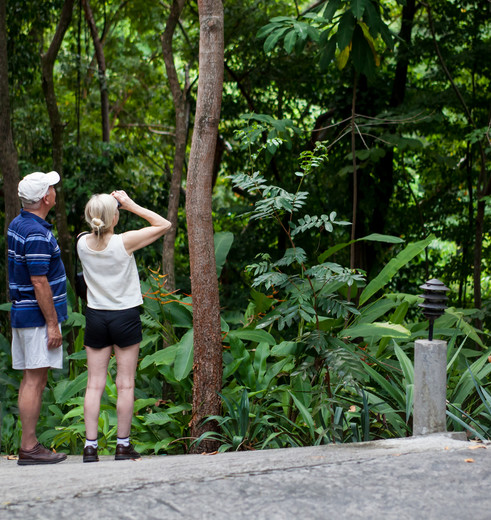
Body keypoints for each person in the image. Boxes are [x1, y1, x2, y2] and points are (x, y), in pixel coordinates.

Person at [77, 190, 171, 462]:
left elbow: (94, 233)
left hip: (96, 317)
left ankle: (90, 447)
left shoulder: (81, 243)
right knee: (125, 384)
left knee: (94, 384)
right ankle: (122, 445)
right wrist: (130, 204)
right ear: (114, 217)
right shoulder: (124, 242)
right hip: (124, 317)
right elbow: (164, 224)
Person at [7, 171, 68, 465]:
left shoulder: (18, 224)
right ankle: (29, 447)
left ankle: (29, 444)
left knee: (33, 378)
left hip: (24, 313)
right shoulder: (36, 233)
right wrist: (53, 323)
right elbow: (39, 281)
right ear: (45, 197)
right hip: (35, 317)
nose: (55, 190)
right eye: (51, 187)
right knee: (34, 379)